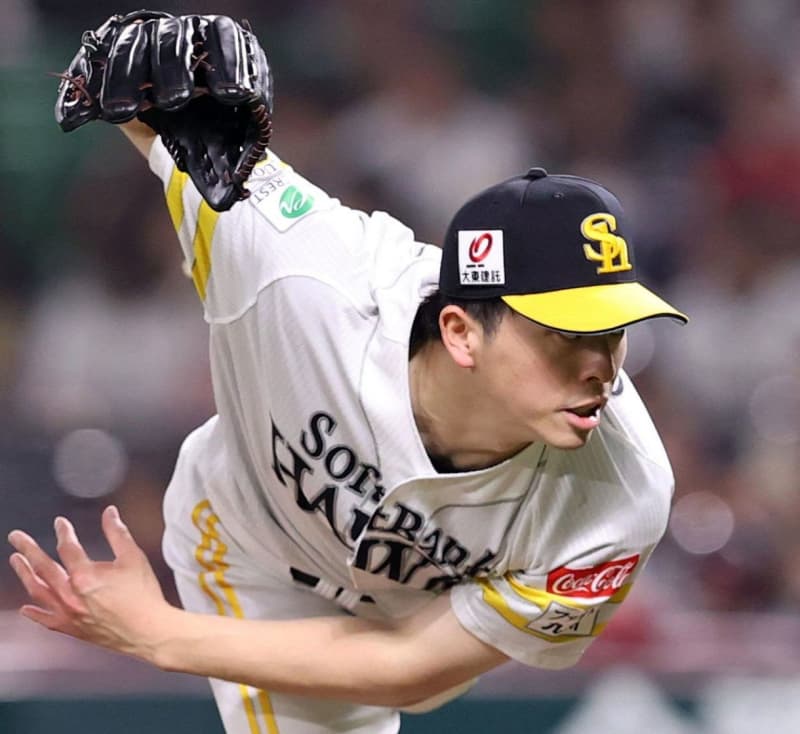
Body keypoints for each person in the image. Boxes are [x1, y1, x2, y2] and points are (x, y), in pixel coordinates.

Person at [8, 12, 687, 734]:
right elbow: (170, 127)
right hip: (257, 550)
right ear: (460, 332)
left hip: (422, 618)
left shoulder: (623, 493)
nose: (600, 368)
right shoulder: (302, 277)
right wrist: (135, 74)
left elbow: (411, 664)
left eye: (612, 332)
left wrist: (156, 634)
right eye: (565, 336)